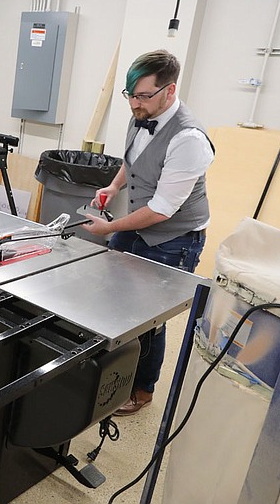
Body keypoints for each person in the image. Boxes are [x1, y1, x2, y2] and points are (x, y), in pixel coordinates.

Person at [83, 49, 214, 416]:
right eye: (130, 95)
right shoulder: (142, 112)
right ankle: (116, 372)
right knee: (115, 298)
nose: (134, 104)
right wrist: (113, 188)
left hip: (175, 237)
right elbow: (133, 160)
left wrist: (109, 226)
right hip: (142, 223)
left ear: (169, 92)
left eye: (142, 96)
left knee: (148, 318)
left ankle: (143, 389)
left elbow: (161, 210)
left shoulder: (189, 139)